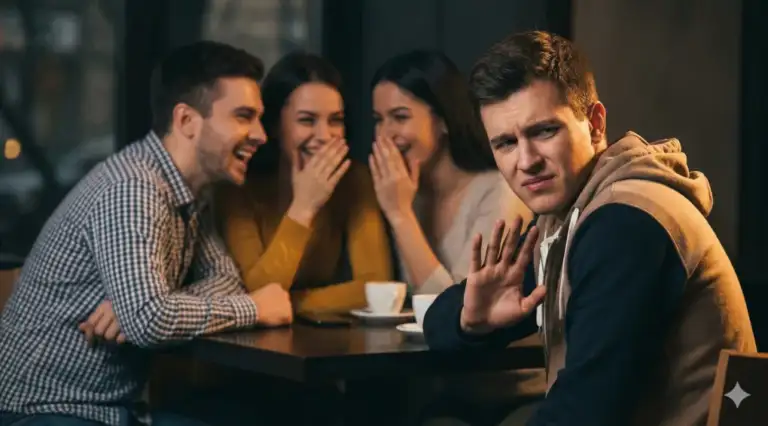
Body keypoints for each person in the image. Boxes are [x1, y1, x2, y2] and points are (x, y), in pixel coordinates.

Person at [423, 31, 756, 426]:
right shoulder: (569, 217)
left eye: (544, 131)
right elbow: (437, 322)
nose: (526, 161)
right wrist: (472, 318)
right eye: (505, 143)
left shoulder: (624, 223)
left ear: (596, 124)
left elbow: (585, 411)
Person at [0, 41, 293, 426]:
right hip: (43, 411)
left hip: (112, 412)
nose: (261, 135)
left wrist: (145, 307)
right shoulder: (134, 188)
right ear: (186, 121)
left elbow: (225, 281)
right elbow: (150, 319)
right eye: (243, 116)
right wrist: (255, 308)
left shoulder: (190, 192)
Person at [216, 51, 392, 314]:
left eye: (335, 120)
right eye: (307, 120)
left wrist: (288, 303)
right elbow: (257, 293)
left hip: (319, 334)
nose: (325, 135)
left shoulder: (354, 179)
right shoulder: (238, 186)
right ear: (274, 126)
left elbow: (376, 288)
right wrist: (304, 207)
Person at [370, 50, 531, 295]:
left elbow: (457, 307)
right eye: (378, 120)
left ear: (444, 120)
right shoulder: (405, 192)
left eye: (400, 117)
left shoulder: (499, 192)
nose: (384, 134)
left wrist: (399, 215)